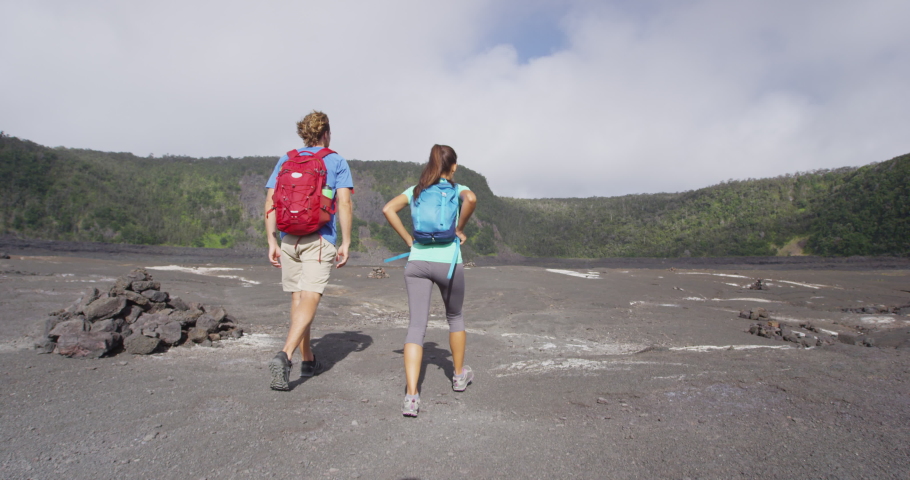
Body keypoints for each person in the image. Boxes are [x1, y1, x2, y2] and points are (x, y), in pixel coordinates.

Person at [382, 144, 477, 416]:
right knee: (455, 317)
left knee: (416, 327)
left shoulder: (416, 190)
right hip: (448, 263)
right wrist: (459, 228)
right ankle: (459, 376)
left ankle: (411, 396)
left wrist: (408, 240)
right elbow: (471, 200)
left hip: (417, 262)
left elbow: (388, 209)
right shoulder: (457, 189)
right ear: (453, 166)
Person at [264, 110, 354, 391]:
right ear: (326, 132)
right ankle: (285, 355)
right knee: (311, 297)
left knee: (297, 299)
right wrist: (346, 242)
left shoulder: (286, 159)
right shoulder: (336, 160)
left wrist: (272, 241)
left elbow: (270, 201)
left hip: (289, 237)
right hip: (320, 237)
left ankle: (307, 358)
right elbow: (344, 203)